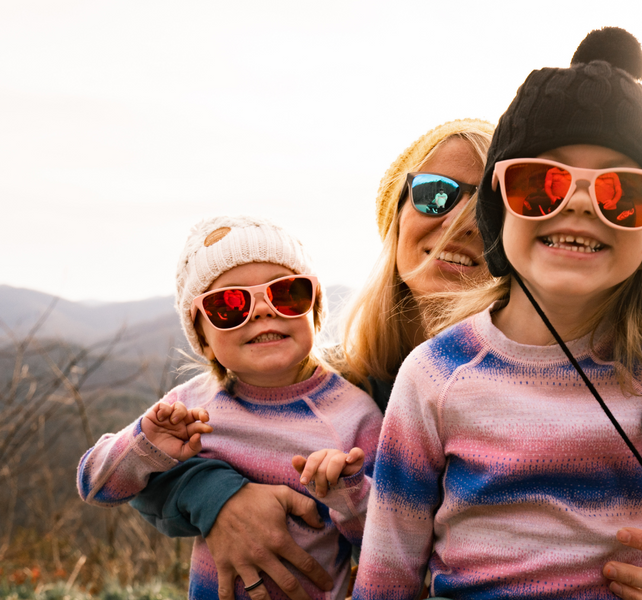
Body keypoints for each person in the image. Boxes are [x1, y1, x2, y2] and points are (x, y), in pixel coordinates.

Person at [351, 28, 642, 600]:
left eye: (623, 192)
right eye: (540, 184)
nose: (578, 203)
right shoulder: (434, 376)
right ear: (499, 209)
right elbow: (386, 575)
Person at [126, 120, 496, 600]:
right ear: (397, 217)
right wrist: (218, 497)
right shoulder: (346, 382)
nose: (461, 221)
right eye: (436, 193)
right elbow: (143, 473)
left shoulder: (545, 383)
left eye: (489, 207)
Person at [77, 216, 383, 600]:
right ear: (202, 340)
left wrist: (349, 492)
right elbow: (96, 485)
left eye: (286, 293)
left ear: (315, 311)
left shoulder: (354, 415)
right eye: (229, 305)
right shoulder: (189, 408)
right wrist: (146, 444)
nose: (261, 311)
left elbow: (387, 539)